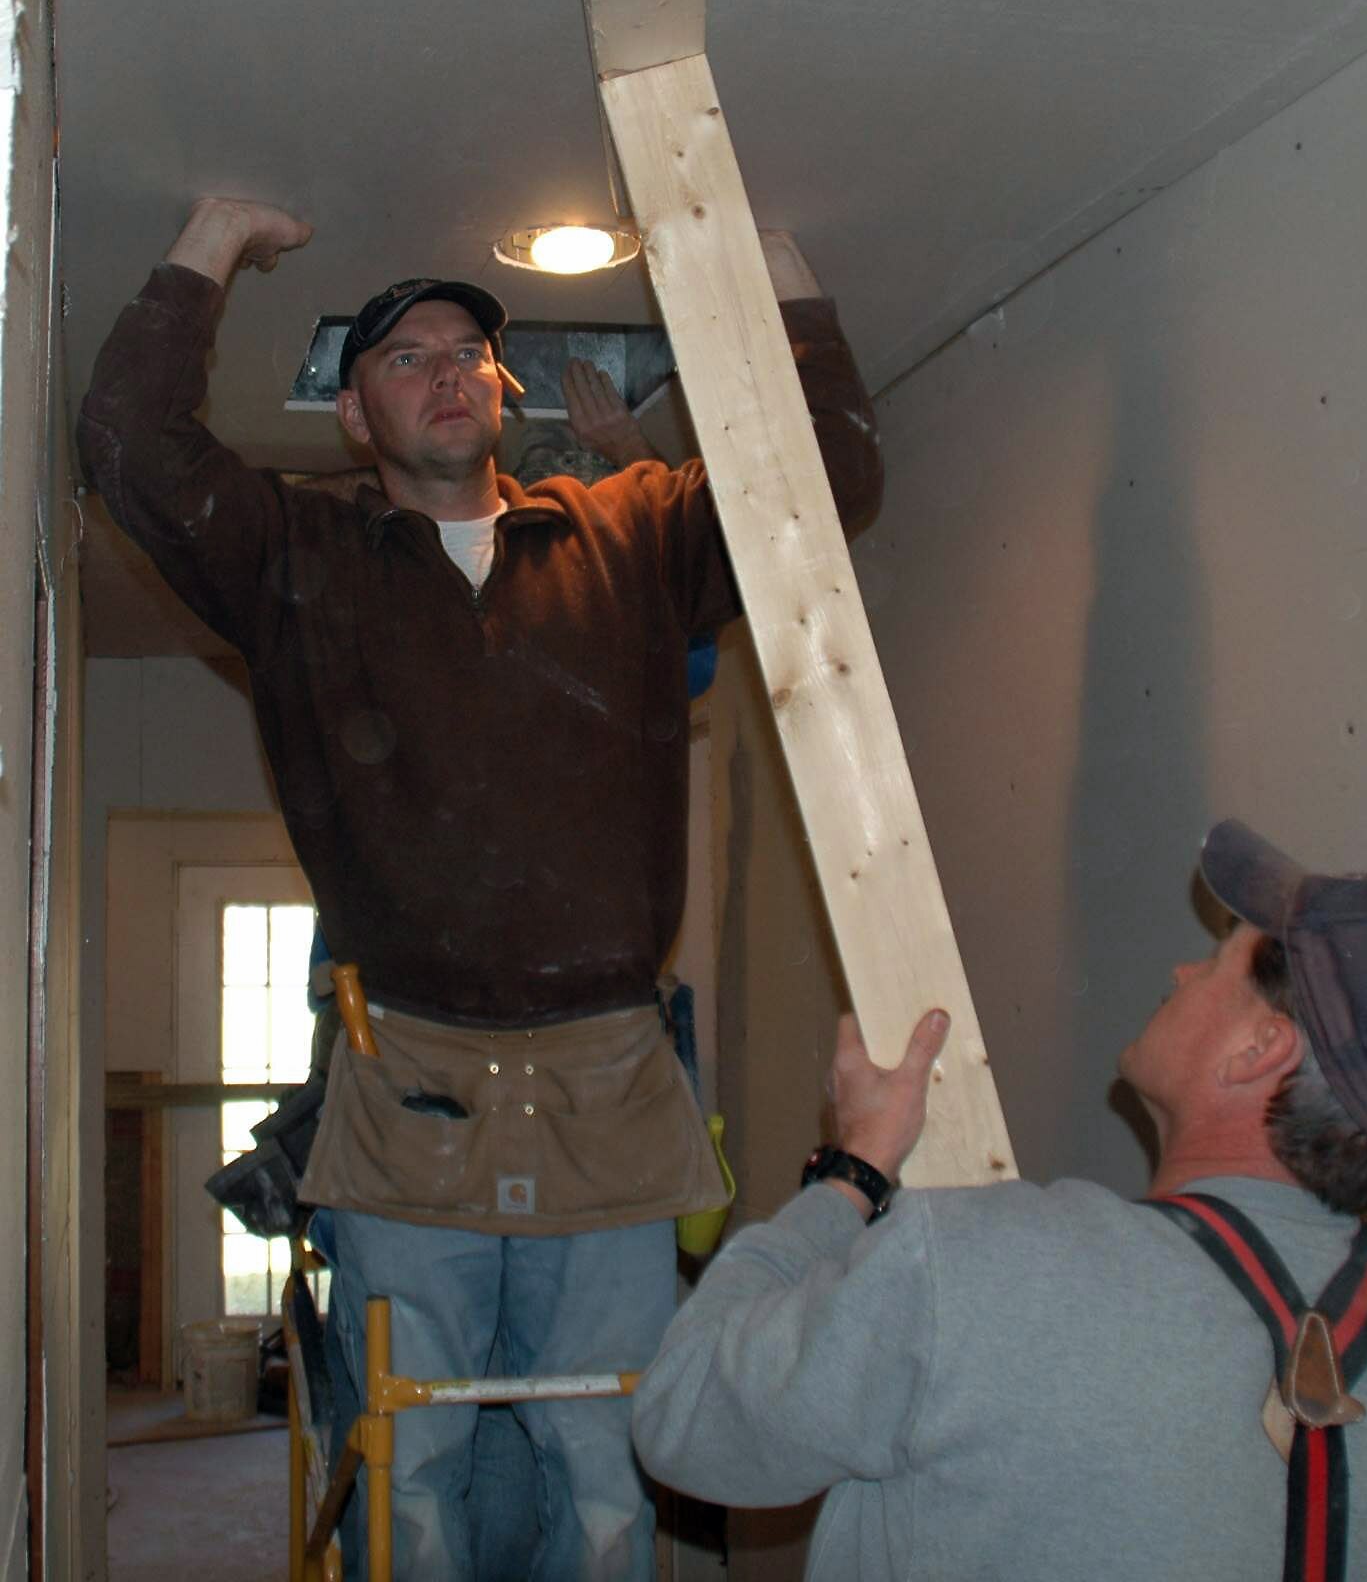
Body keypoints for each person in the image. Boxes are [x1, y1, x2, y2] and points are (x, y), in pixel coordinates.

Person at [78, 195, 882, 1581]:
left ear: (501, 389)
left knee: (611, 1460)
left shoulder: (630, 535)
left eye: (469, 349)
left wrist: (782, 270)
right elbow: (131, 448)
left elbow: (825, 488)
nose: (447, 368)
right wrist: (211, 241)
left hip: (614, 1077)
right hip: (410, 1083)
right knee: (416, 1464)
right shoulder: (299, 560)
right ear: (352, 419)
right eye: (405, 357)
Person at [632, 818, 1367, 1579]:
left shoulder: (978, 1269)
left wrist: (854, 1170)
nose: (1184, 975)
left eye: (1219, 960)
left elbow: (686, 1418)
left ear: (1259, 1051)